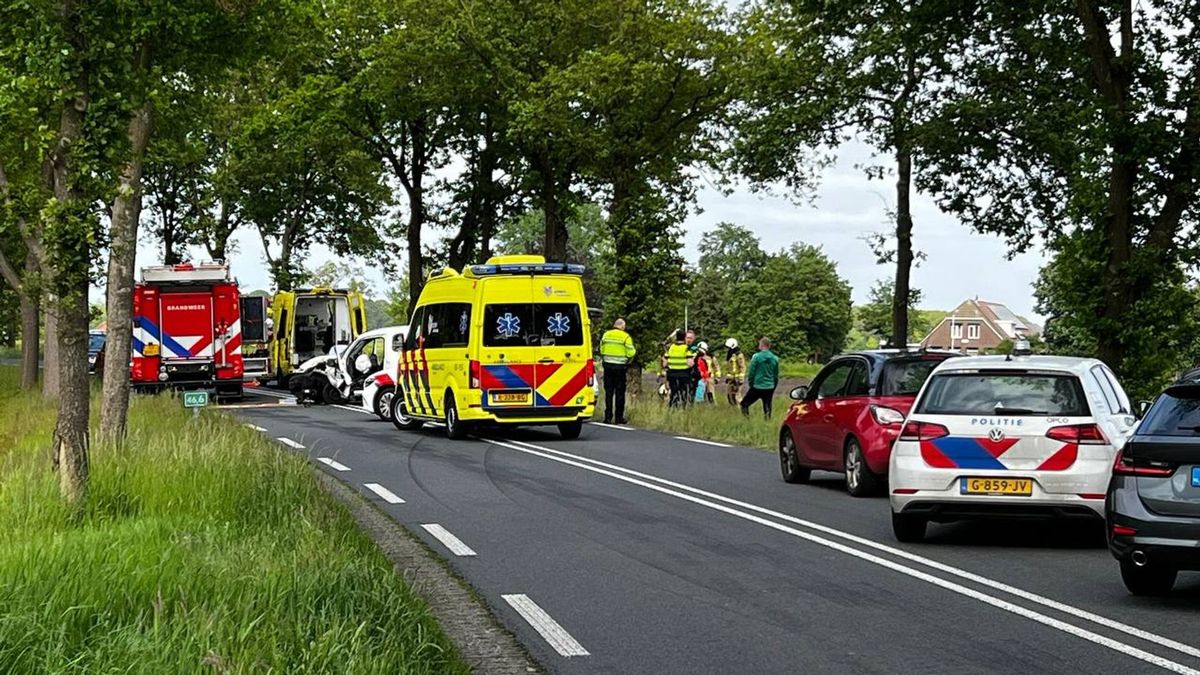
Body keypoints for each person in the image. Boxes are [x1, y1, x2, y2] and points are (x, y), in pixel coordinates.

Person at [599, 318, 637, 424]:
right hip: (620, 367)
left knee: (609, 392)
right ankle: (618, 417)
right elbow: (631, 352)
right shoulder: (625, 337)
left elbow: (601, 349)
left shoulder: (606, 335)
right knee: (620, 393)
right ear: (622, 327)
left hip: (607, 366)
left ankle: (607, 416)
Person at [741, 337, 780, 418]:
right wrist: (774, 385)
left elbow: (751, 373)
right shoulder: (775, 359)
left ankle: (746, 420)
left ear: (762, 345)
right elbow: (776, 375)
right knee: (767, 406)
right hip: (769, 386)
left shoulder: (756, 357)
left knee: (744, 404)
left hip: (757, 385)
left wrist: (751, 384)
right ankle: (767, 422)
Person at [661, 330, 694, 408]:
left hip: (672, 374)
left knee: (673, 391)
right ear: (684, 338)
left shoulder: (671, 347)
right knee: (684, 392)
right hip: (684, 374)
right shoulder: (686, 348)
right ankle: (683, 407)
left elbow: (664, 363)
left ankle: (673, 406)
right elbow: (690, 363)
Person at [723, 338, 746, 405]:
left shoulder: (739, 355)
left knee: (737, 396)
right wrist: (728, 377)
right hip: (731, 379)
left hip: (737, 379)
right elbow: (729, 368)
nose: (728, 349)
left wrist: (741, 378)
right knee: (730, 396)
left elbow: (742, 367)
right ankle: (733, 410)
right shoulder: (730, 355)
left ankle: (742, 409)